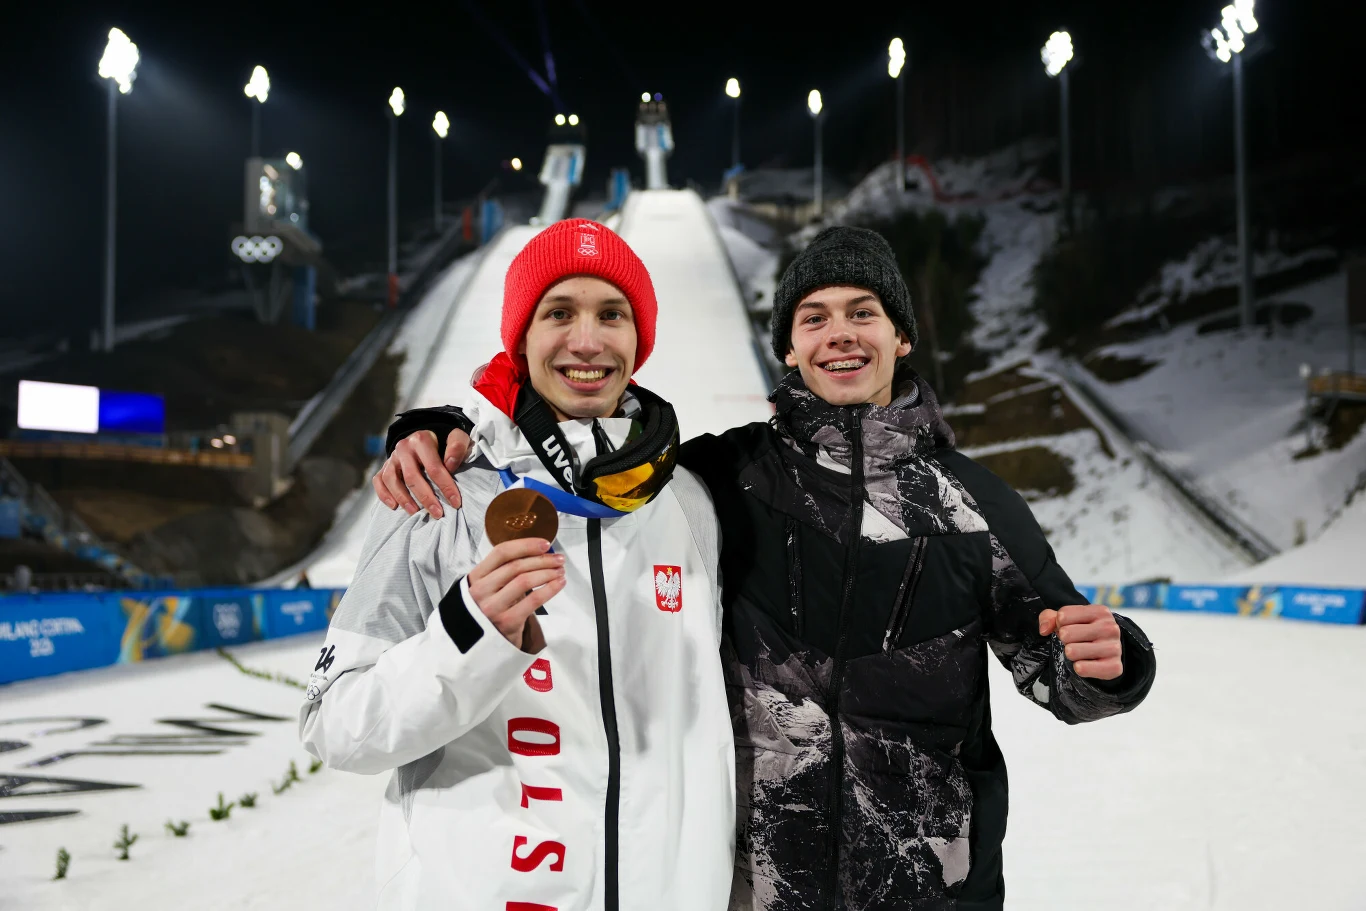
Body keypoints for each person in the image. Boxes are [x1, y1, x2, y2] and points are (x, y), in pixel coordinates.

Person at [375, 225, 1158, 910]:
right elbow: (592, 457)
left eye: (864, 313)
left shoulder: (974, 502)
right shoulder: (725, 476)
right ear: (789, 345)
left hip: (932, 889)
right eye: (814, 318)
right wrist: (446, 426)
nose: (840, 334)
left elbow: (1059, 653)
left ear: (902, 337)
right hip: (765, 888)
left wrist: (1107, 663)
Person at [300, 220, 736, 910]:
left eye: (611, 314)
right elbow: (336, 722)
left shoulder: (689, 501)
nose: (587, 341)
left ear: (638, 338)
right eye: (559, 312)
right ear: (522, 336)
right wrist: (467, 634)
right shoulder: (436, 489)